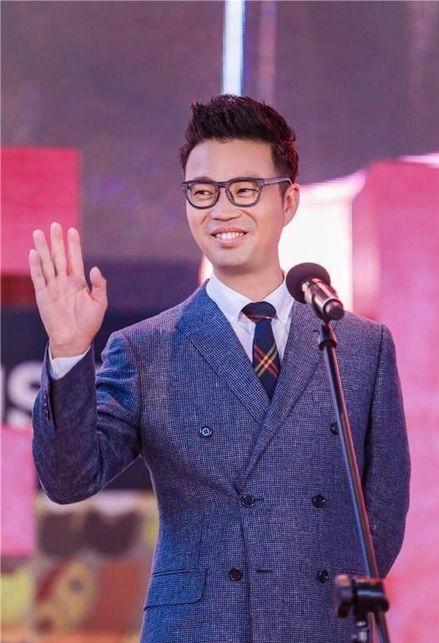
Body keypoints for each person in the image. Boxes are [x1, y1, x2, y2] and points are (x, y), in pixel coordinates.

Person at [30, 94, 411, 643]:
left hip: (320, 626)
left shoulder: (358, 345)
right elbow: (69, 480)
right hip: (200, 628)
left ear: (289, 200)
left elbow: (384, 512)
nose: (222, 210)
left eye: (245, 190)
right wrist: (69, 349)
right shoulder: (145, 347)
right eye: (203, 192)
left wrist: (323, 601)